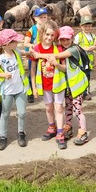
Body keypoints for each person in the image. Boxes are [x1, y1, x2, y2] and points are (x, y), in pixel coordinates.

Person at [33, 26, 90, 145]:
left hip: (77, 85)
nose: (65, 42)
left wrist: (38, 55)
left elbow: (56, 56)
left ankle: (83, 131)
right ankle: (68, 127)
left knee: (78, 110)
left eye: (67, 39)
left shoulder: (74, 49)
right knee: (68, 107)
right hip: (68, 86)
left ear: (72, 38)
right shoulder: (62, 48)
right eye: (62, 40)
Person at [29, 20, 68, 149]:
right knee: (49, 107)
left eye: (52, 35)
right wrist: (34, 87)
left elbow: (65, 68)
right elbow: (33, 69)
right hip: (44, 85)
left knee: (59, 108)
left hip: (58, 84)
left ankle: (60, 132)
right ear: (42, 33)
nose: (49, 38)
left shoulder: (59, 48)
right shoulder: (36, 48)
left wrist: (56, 64)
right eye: (47, 34)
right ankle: (52, 127)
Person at [0, 29, 29, 150]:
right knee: (5, 113)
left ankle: (21, 133)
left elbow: (23, 52)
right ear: (7, 44)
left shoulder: (16, 52)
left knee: (22, 113)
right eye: (15, 41)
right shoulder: (0, 58)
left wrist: (31, 51)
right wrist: (3, 75)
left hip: (20, 89)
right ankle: (3, 136)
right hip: (7, 90)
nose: (17, 42)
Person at [23, 7, 49, 103]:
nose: (43, 19)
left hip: (44, 54)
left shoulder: (47, 28)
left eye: (45, 17)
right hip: (34, 55)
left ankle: (42, 89)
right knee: (32, 73)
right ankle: (30, 93)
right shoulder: (32, 29)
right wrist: (34, 47)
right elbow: (26, 43)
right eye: (41, 17)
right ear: (35, 18)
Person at [74, 15, 96, 100]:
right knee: (82, 76)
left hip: (90, 61)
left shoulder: (93, 35)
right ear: (81, 26)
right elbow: (75, 46)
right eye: (85, 26)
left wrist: (94, 47)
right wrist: (85, 48)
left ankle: (87, 91)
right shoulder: (79, 36)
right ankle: (83, 92)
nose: (87, 28)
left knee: (88, 76)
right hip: (81, 60)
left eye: (89, 26)